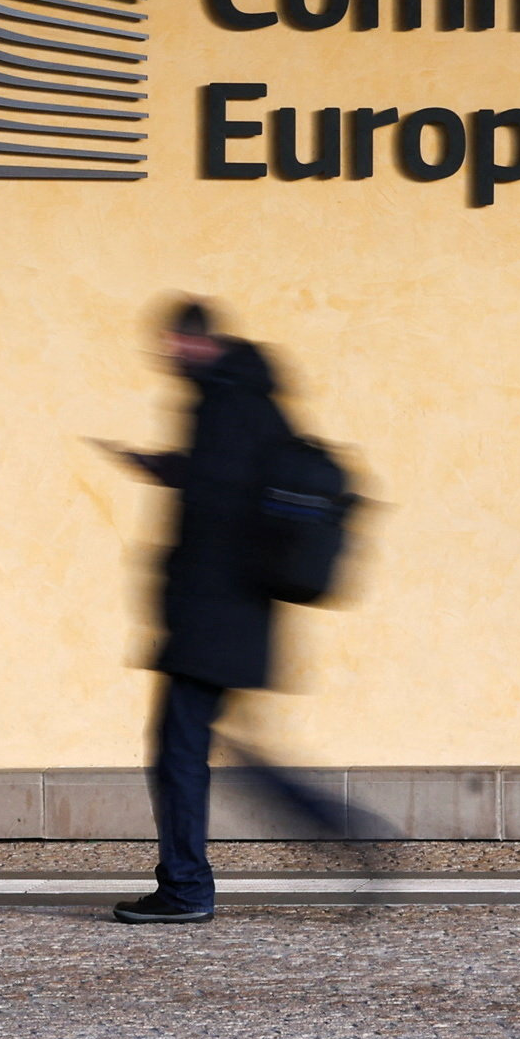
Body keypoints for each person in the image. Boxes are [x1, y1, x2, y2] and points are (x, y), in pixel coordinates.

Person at [104, 298, 365, 924]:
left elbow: (220, 516)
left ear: (191, 341)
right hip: (231, 616)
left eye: (170, 345)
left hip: (213, 616)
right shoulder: (248, 398)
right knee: (206, 749)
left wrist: (178, 483)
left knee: (179, 751)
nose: (166, 357)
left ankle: (189, 887)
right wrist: (172, 469)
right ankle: (343, 834)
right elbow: (233, 487)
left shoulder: (224, 404)